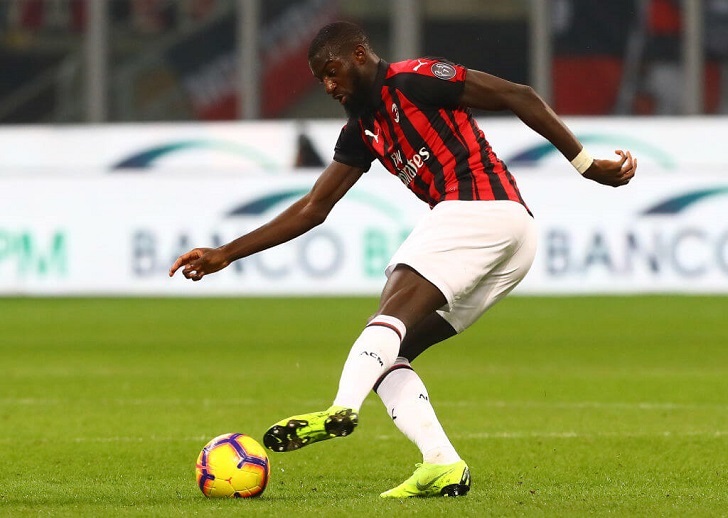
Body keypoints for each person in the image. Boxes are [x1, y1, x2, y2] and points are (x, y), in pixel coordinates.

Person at [169, 21, 637, 498]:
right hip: (512, 241)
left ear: (358, 55)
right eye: (320, 81)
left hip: (481, 208)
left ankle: (339, 409)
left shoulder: (415, 78)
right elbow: (313, 208)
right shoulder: (362, 129)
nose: (329, 87)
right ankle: (442, 463)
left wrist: (585, 165)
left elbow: (519, 94)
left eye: (332, 73)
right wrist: (225, 253)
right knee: (391, 354)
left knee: (384, 320)